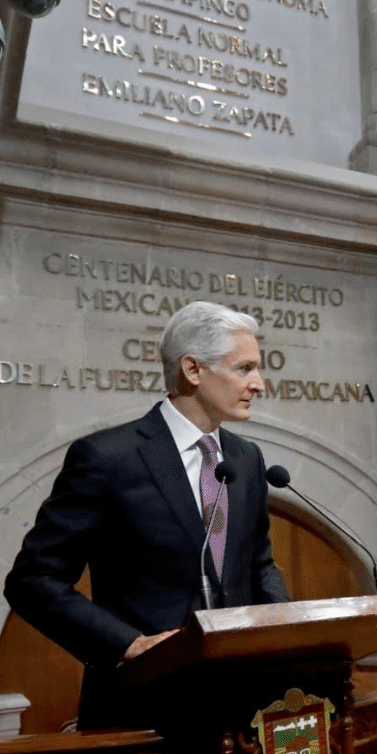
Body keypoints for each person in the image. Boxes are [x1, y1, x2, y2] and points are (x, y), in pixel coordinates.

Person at [4, 301, 290, 729]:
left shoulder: (246, 458)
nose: (259, 384)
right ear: (193, 370)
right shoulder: (107, 458)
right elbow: (32, 581)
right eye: (244, 368)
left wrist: (287, 631)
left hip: (238, 706)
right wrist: (128, 645)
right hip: (144, 706)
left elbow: (258, 563)